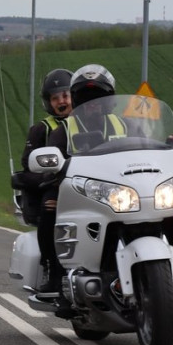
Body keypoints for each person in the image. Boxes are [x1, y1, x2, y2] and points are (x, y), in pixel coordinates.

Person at [38, 64, 125, 297]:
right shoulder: (63, 130)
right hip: (77, 191)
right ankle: (56, 274)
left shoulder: (124, 124)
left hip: (119, 191)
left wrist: (170, 143)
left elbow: (145, 146)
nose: (93, 104)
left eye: (99, 98)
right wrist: (54, 176)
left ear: (110, 100)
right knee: (50, 208)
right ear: (78, 102)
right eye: (86, 99)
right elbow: (48, 166)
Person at [13, 69, 73, 292]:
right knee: (50, 207)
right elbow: (28, 165)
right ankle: (52, 269)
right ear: (49, 102)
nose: (62, 102)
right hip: (56, 186)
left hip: (91, 185)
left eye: (65, 96)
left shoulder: (94, 123)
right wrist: (48, 179)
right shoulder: (42, 129)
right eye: (56, 98)